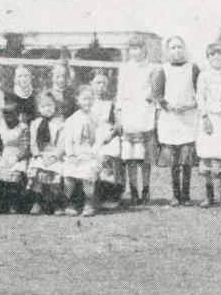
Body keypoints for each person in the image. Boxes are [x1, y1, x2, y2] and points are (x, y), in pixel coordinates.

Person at [153, 36, 201, 207]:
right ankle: (176, 194)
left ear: (184, 48)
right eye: (173, 48)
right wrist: (170, 106)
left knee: (186, 157)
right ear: (168, 51)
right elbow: (157, 94)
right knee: (174, 160)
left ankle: (186, 195)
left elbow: (200, 91)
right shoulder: (163, 70)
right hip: (171, 118)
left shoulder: (193, 68)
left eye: (180, 47)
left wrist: (190, 105)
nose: (177, 51)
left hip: (188, 117)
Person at [115, 37, 159, 206]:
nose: (137, 52)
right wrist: (119, 114)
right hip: (129, 114)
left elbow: (156, 91)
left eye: (139, 48)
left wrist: (154, 109)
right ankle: (133, 190)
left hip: (145, 114)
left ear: (144, 50)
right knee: (131, 157)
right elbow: (120, 93)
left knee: (145, 157)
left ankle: (146, 189)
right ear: (129, 51)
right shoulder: (124, 68)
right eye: (133, 48)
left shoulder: (152, 68)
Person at [195, 44, 221, 209]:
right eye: (213, 57)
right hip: (208, 117)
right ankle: (209, 196)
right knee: (207, 155)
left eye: (220, 58)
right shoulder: (204, 76)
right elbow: (200, 98)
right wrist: (205, 117)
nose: (217, 60)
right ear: (208, 59)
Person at [58, 85, 101, 217]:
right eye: (84, 99)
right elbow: (68, 140)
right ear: (78, 100)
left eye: (90, 99)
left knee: (88, 172)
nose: (87, 102)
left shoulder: (97, 119)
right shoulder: (72, 120)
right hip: (75, 154)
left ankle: (89, 202)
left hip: (90, 154)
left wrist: (93, 153)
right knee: (68, 175)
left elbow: (99, 139)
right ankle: (69, 202)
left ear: (94, 100)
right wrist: (71, 154)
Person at [89, 71, 124, 210]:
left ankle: (111, 195)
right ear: (91, 85)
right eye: (98, 83)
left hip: (109, 136)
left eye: (104, 83)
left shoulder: (112, 103)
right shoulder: (87, 101)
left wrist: (110, 136)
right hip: (92, 135)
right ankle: (92, 195)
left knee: (110, 155)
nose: (101, 86)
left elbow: (118, 124)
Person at [26, 92, 65, 215]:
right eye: (43, 106)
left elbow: (61, 144)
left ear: (54, 106)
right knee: (36, 169)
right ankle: (38, 201)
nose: (46, 109)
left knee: (55, 172)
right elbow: (33, 143)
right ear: (38, 109)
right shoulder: (35, 123)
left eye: (49, 105)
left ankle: (56, 203)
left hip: (54, 155)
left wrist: (54, 156)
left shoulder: (59, 123)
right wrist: (38, 155)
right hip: (40, 155)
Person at [0, 101, 30, 214]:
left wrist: (17, 158)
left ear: (18, 115)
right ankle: (0, 202)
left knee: (15, 173)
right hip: (4, 154)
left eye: (11, 114)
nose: (8, 117)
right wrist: (0, 154)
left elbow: (25, 147)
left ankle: (14, 202)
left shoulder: (23, 128)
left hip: (18, 155)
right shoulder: (0, 127)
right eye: (6, 114)